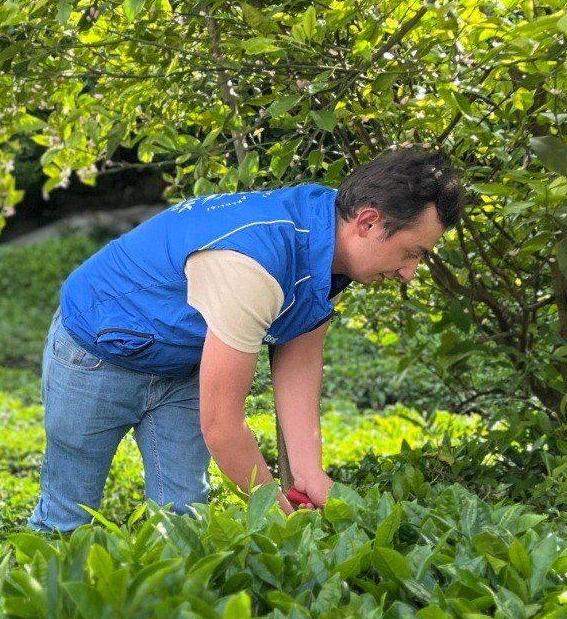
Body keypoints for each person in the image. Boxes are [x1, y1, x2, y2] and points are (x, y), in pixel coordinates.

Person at [28, 147, 465, 532]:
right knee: (67, 514)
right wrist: (276, 513)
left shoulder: (328, 239)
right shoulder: (255, 263)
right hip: (98, 351)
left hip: (182, 363)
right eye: (413, 253)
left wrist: (310, 475)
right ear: (369, 222)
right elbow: (221, 423)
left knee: (184, 518)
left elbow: (299, 358)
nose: (410, 273)